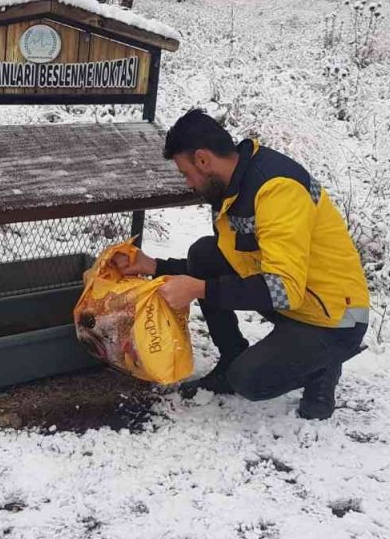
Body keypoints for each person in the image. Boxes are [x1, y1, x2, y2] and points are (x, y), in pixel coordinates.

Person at [115, 109, 370, 420]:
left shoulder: (276, 189)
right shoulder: (233, 187)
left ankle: (323, 366)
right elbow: (233, 263)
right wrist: (154, 265)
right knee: (204, 254)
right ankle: (231, 359)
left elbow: (283, 290)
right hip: (296, 298)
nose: (189, 183)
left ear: (203, 160)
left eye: (186, 173)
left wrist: (201, 289)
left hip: (333, 318)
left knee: (250, 381)